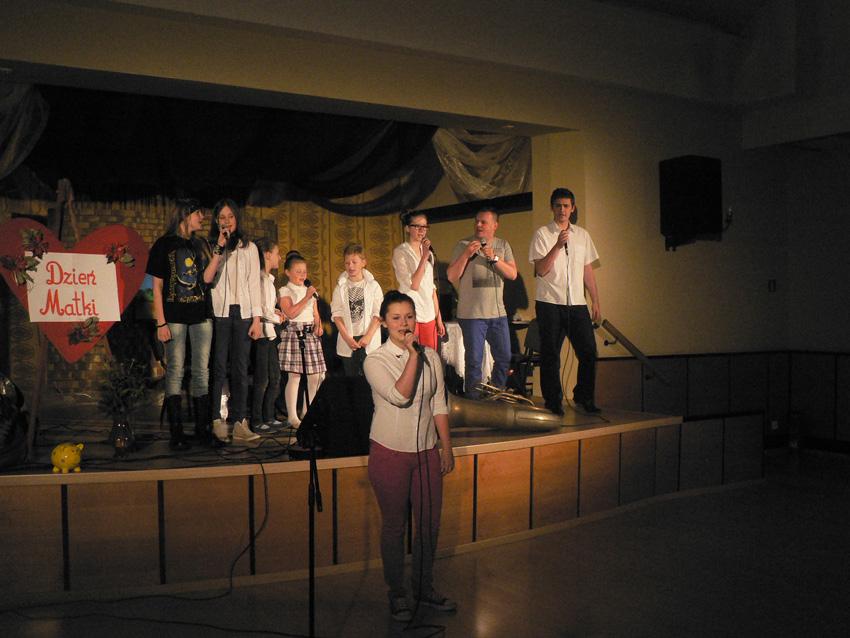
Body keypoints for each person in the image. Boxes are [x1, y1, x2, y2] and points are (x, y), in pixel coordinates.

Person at [363, 290, 456, 622]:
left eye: (409, 317)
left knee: (429, 525)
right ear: (384, 323)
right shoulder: (376, 360)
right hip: (390, 453)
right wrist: (413, 355)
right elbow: (400, 396)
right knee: (394, 526)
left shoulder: (432, 356)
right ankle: (397, 593)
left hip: (426, 452)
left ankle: (424, 587)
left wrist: (446, 447)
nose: (404, 324)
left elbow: (439, 402)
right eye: (397, 318)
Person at [528, 188, 602, 415]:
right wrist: (558, 245)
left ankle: (584, 397)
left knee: (589, 351)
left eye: (566, 206)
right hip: (549, 302)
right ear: (552, 208)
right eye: (558, 205)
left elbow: (587, 270)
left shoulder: (582, 235)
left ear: (573, 208)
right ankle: (553, 401)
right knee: (551, 354)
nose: (562, 210)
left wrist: (595, 300)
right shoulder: (542, 234)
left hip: (577, 303)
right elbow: (541, 269)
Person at [147, 198, 213, 450]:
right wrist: (160, 322)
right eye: (198, 213)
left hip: (200, 315)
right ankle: (176, 433)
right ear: (185, 215)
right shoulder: (164, 244)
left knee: (201, 371)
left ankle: (203, 430)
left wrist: (218, 250)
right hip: (174, 317)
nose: (202, 218)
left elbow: (205, 279)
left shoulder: (199, 244)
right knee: (175, 370)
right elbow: (156, 286)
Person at [204, 199, 263, 443]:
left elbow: (254, 284)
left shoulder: (249, 248)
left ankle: (240, 422)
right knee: (219, 367)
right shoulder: (212, 246)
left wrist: (257, 319)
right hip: (221, 312)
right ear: (216, 221)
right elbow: (208, 278)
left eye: (230, 217)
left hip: (244, 313)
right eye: (222, 217)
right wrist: (219, 247)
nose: (226, 221)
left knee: (240, 369)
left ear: (237, 219)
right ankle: (216, 420)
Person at [447, 207, 518, 398]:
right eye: (476, 221)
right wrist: (466, 254)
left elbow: (512, 274)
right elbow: (451, 276)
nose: (478, 225)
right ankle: (474, 401)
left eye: (483, 222)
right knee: (474, 361)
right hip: (472, 315)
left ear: (495, 225)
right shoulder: (463, 245)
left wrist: (494, 258)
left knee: (504, 357)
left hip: (498, 313)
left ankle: (496, 394)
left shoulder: (503, 245)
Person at [278, 251, 325, 429]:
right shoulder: (285, 290)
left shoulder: (310, 292)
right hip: (294, 333)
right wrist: (306, 297)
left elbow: (315, 313)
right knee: (295, 375)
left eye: (304, 271)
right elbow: (290, 313)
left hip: (310, 334)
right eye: (298, 271)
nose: (302, 275)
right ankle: (292, 416)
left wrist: (318, 326)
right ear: (287, 272)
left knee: (316, 376)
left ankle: (308, 412)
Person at [392, 211, 445, 351]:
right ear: (407, 228)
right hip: (411, 314)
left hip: (429, 314)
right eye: (417, 226)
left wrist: (438, 319)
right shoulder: (401, 252)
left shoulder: (428, 253)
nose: (422, 230)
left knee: (430, 356)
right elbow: (414, 285)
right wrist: (424, 258)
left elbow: (431, 289)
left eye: (425, 226)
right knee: (413, 355)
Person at [330, 243, 383, 376]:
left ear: (363, 263)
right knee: (351, 380)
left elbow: (378, 313)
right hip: (349, 340)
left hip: (369, 338)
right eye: (347, 263)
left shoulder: (373, 286)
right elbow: (336, 314)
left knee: (370, 378)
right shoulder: (340, 287)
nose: (351, 266)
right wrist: (347, 338)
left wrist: (368, 336)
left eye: (354, 262)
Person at [251, 237, 286, 434]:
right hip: (262, 334)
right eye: (276, 253)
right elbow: (261, 309)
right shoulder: (259, 279)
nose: (279, 257)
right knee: (262, 379)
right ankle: (256, 419)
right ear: (267, 254)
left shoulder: (269, 281)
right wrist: (276, 317)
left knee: (274, 377)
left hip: (270, 333)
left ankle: (269, 416)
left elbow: (268, 307)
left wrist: (275, 312)